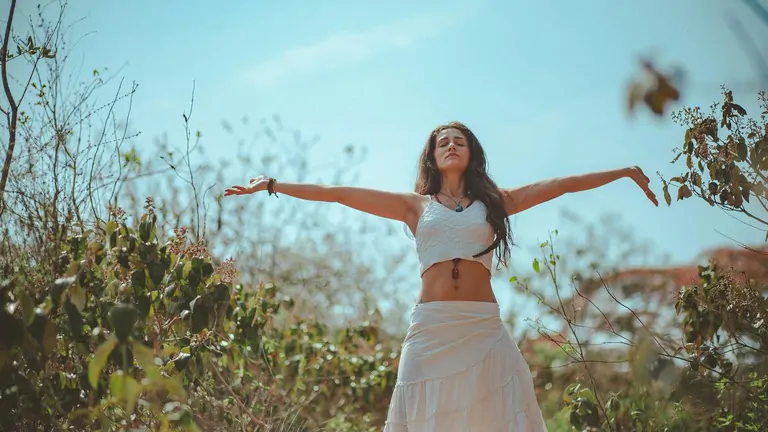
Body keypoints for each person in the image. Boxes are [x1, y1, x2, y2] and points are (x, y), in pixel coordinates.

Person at [223, 121, 658, 431]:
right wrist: (273, 184)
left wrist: (620, 172)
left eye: (459, 141)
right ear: (432, 155)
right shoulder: (414, 206)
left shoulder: (495, 202)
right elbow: (337, 194)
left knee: (499, 416)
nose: (451, 146)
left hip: (482, 327)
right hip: (430, 328)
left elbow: (560, 184)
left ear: (471, 153)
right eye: (442, 142)